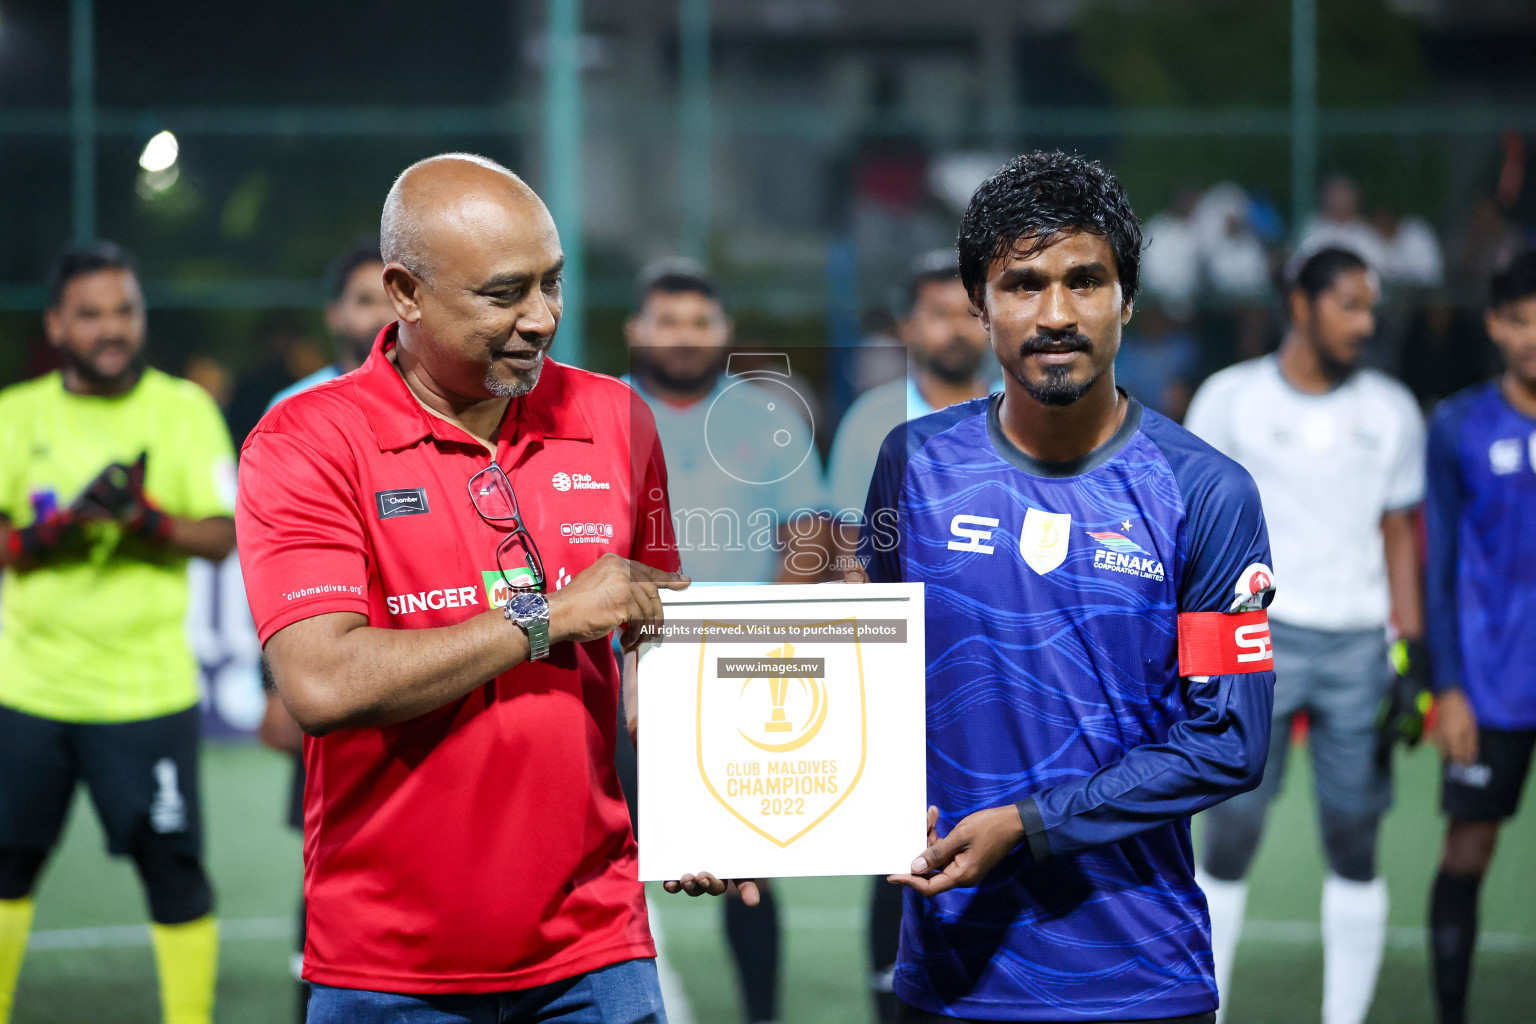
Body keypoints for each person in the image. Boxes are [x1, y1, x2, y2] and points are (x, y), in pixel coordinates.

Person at [238, 153, 698, 1023]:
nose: (543, 318)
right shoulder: (304, 443)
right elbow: (321, 684)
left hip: (596, 951)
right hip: (389, 966)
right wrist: (549, 618)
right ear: (404, 292)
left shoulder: (616, 417)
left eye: (554, 284)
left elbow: (655, 640)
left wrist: (709, 807)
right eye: (505, 294)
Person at [858, 150, 1277, 1023]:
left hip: (1140, 981)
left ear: (1127, 298)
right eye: (1022, 284)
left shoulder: (1206, 491)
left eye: (1085, 280)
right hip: (948, 977)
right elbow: (870, 688)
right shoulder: (914, 463)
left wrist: (1029, 824)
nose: (1055, 314)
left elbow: (1229, 739)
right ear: (979, 305)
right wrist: (735, 822)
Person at [1184, 246, 1428, 1024]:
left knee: (1354, 839)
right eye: (1349, 304)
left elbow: (1398, 532)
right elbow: (1190, 523)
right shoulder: (1231, 399)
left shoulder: (1392, 409)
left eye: (1371, 308)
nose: (1366, 322)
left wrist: (1411, 649)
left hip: (1359, 646)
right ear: (1302, 305)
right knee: (1230, 833)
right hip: (1254, 639)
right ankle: (1206, 1009)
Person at [0, 242, 237, 1024]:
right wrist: (50, 533)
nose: (112, 329)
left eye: (125, 311)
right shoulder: (16, 414)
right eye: (92, 314)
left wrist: (144, 519)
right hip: (28, 690)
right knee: (7, 870)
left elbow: (223, 535)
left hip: (147, 693)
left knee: (175, 873)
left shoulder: (183, 409)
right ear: (57, 324)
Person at [618, 260, 825, 1024]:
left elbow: (808, 533)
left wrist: (760, 634)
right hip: (617, 677)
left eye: (700, 322)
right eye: (666, 321)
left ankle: (761, 1014)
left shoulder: (769, 413)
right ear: (636, 330)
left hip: (739, 679)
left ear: (725, 332)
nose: (683, 336)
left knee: (751, 869)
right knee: (607, 858)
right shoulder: (599, 413)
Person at [824, 250, 993, 1024]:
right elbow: (843, 548)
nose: (954, 326)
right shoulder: (871, 422)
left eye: (966, 309)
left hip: (992, 672)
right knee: (892, 848)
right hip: (894, 676)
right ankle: (890, 997)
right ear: (906, 325)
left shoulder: (1023, 406)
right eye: (936, 310)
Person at [256, 237, 395, 1022]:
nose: (378, 313)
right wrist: (277, 681)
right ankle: (314, 997)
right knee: (330, 850)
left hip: (415, 661)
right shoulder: (293, 415)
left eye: (389, 295)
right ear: (336, 313)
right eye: (362, 298)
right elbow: (268, 571)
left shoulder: (443, 403)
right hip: (325, 661)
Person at [1423, 249, 1536, 1024]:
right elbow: (1438, 568)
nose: (1534, 337)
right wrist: (1448, 688)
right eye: (1520, 320)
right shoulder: (1458, 425)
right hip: (1491, 684)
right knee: (1466, 855)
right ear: (1495, 325)